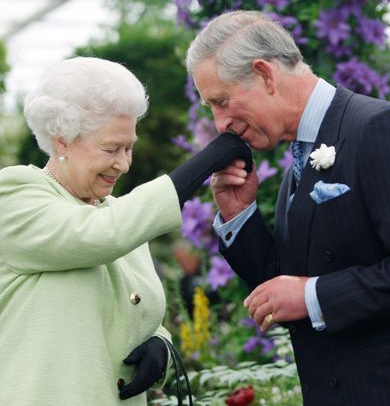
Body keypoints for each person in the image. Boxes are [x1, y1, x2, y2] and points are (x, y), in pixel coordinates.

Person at [185, 10, 390, 406]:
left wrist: (314, 296)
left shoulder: (376, 126)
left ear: (264, 74)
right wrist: (239, 216)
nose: (220, 123)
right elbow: (282, 288)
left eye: (221, 101)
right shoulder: (299, 156)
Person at [0, 56, 252, 406]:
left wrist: (160, 345)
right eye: (110, 148)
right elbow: (97, 236)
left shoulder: (120, 216)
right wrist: (205, 162)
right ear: (62, 142)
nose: (123, 162)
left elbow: (133, 311)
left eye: (129, 147)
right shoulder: (13, 195)